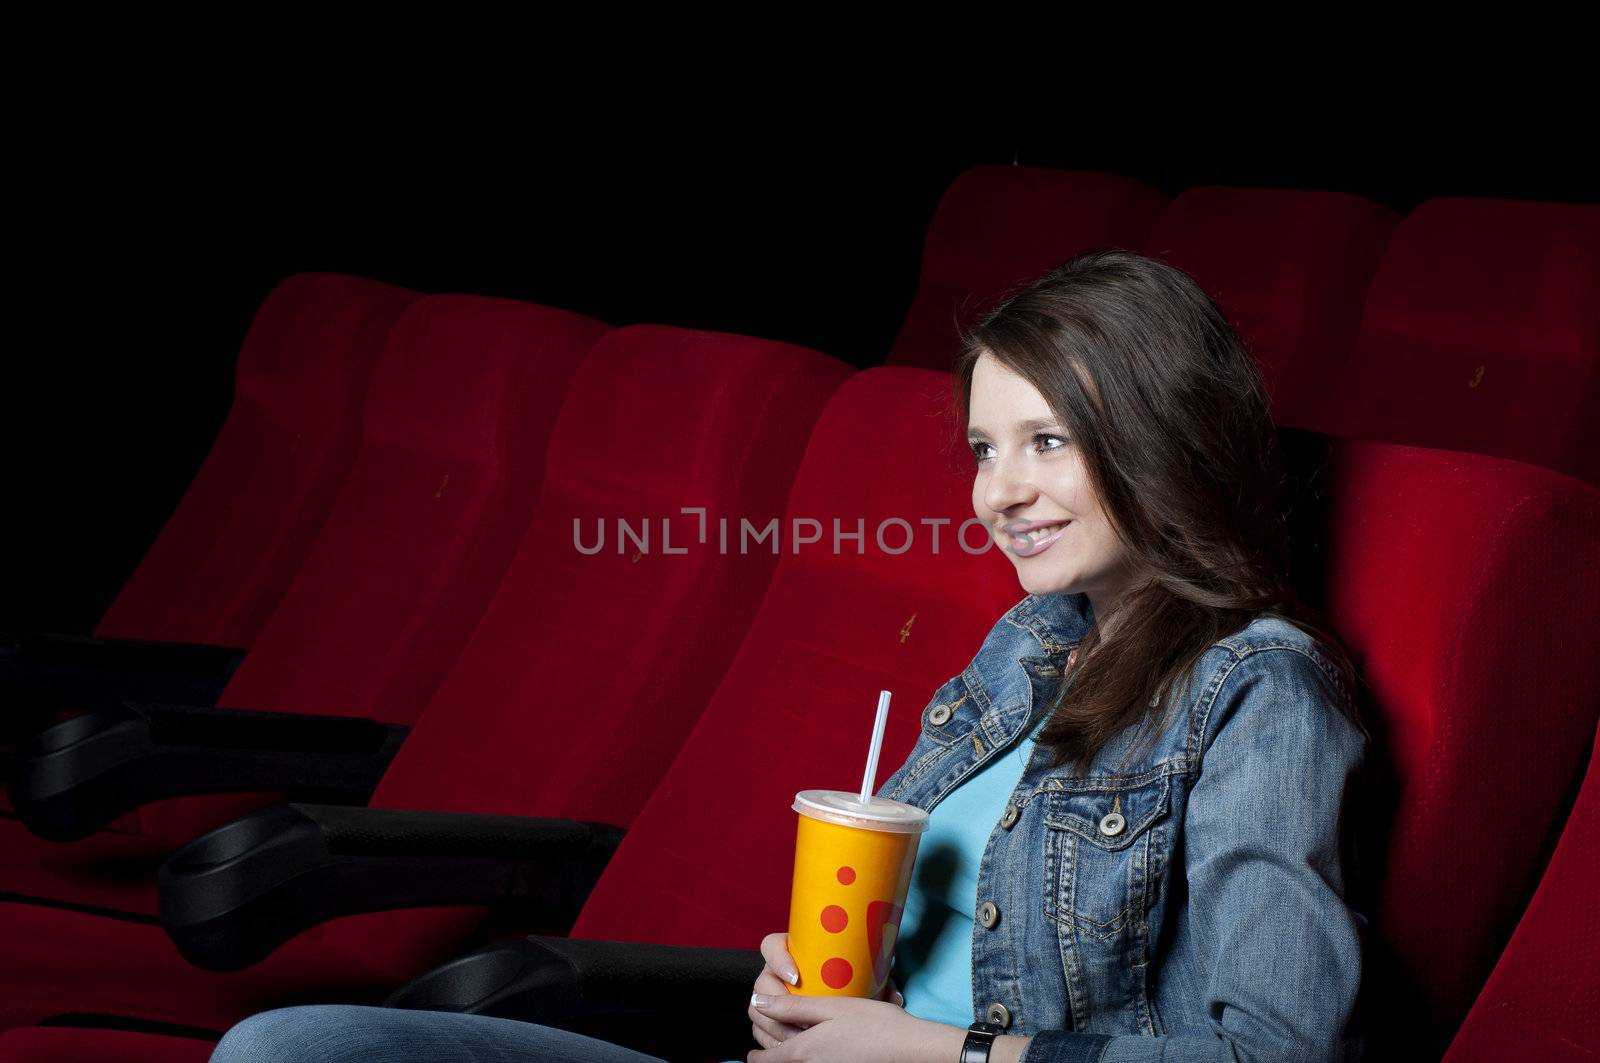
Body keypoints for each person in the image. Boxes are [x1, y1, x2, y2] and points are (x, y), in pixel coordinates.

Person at [208, 249, 1372, 1062]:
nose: (998, 490)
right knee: (295, 1042)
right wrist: (799, 991)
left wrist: (935, 1053)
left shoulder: (1256, 690)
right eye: (981, 448)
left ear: (1157, 437)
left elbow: (1276, 1050)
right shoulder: (1027, 646)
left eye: (1046, 441)